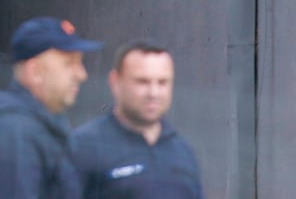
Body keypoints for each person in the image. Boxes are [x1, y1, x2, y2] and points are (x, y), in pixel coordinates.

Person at [0, 17, 101, 199]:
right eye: (69, 63)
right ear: (35, 71)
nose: (82, 74)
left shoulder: (43, 122)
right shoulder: (15, 133)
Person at [72, 41, 203, 199]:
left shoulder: (182, 152)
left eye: (162, 82)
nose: (153, 93)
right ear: (115, 82)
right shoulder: (83, 147)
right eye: (142, 81)